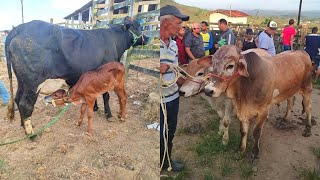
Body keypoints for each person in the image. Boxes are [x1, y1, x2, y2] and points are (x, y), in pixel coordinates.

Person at [159, 5, 189, 172]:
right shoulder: (154, 45)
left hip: (173, 98)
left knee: (170, 131)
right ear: (165, 23)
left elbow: (176, 70)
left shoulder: (174, 45)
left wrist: (185, 82)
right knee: (160, 133)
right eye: (177, 23)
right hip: (160, 101)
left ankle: (166, 161)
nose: (180, 27)